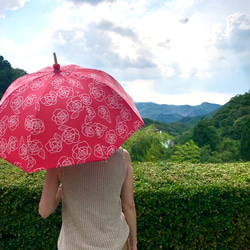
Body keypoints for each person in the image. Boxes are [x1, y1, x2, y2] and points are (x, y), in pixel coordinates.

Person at [39, 147, 137, 250]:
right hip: (116, 242)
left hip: (73, 245)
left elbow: (45, 211)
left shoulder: (60, 161)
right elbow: (129, 205)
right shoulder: (122, 156)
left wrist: (63, 187)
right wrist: (133, 242)